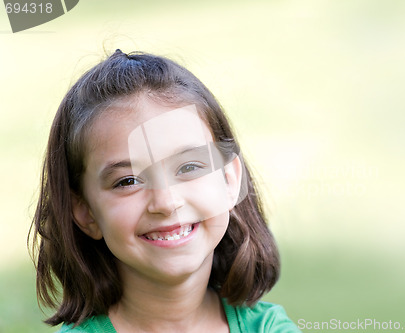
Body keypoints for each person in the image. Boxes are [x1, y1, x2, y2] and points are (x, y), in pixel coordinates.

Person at [29, 49, 301, 332]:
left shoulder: (268, 327)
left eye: (188, 167)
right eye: (128, 181)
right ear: (86, 213)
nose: (166, 202)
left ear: (230, 180)